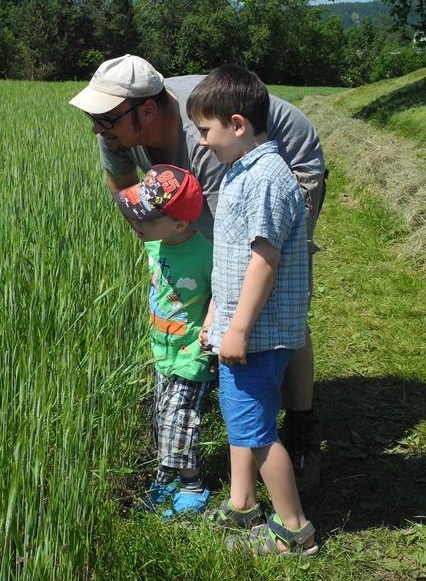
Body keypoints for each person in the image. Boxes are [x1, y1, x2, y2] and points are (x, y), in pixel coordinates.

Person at [69, 55, 326, 495]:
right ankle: (227, 396)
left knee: (273, 297)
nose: (97, 127)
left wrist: (223, 321)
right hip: (222, 163)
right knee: (220, 301)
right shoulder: (116, 128)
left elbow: (232, 256)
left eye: (103, 117)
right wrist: (161, 254)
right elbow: (124, 189)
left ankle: (299, 426)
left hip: (290, 160)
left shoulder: (208, 143)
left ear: (145, 111)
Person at [188, 64, 317, 555]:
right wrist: (215, 319)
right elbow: (232, 260)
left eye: (205, 130)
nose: (200, 142)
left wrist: (237, 329)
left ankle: (294, 531)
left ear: (238, 125)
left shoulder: (263, 178)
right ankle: (243, 506)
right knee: (243, 419)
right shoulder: (243, 169)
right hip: (243, 329)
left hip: (257, 335)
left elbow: (263, 259)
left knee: (259, 432)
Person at [114, 164, 216, 517]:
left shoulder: (205, 254)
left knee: (180, 419)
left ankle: (192, 483)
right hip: (161, 352)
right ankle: (166, 476)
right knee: (162, 418)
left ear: (180, 224)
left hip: (191, 355)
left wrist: (211, 330)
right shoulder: (156, 244)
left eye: (147, 218)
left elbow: (221, 293)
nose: (139, 224)